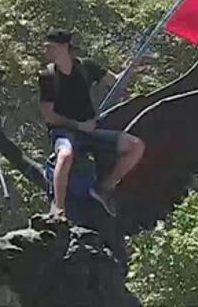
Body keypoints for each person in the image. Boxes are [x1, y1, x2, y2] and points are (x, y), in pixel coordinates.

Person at [38, 29, 145, 217]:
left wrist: (130, 70)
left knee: (135, 146)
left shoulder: (86, 67)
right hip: (64, 133)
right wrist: (78, 126)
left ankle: (104, 188)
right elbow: (49, 115)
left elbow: (115, 82)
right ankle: (58, 207)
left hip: (91, 132)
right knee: (65, 155)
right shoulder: (48, 76)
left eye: (50, 47)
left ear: (64, 47)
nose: (46, 51)